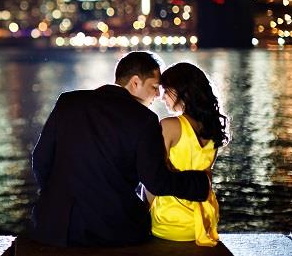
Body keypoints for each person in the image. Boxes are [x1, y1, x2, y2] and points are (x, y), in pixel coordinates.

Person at [30, 51, 210, 247]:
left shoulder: (69, 102)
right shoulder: (144, 119)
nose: (158, 96)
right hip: (112, 230)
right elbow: (156, 181)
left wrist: (54, 197)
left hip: (55, 226)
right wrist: (201, 183)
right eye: (154, 87)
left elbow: (41, 160)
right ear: (135, 83)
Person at [149, 62, 230, 246]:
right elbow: (205, 176)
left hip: (170, 223)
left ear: (180, 91)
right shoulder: (213, 128)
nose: (162, 97)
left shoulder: (169, 126)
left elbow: (155, 180)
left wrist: (140, 211)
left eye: (166, 90)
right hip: (203, 220)